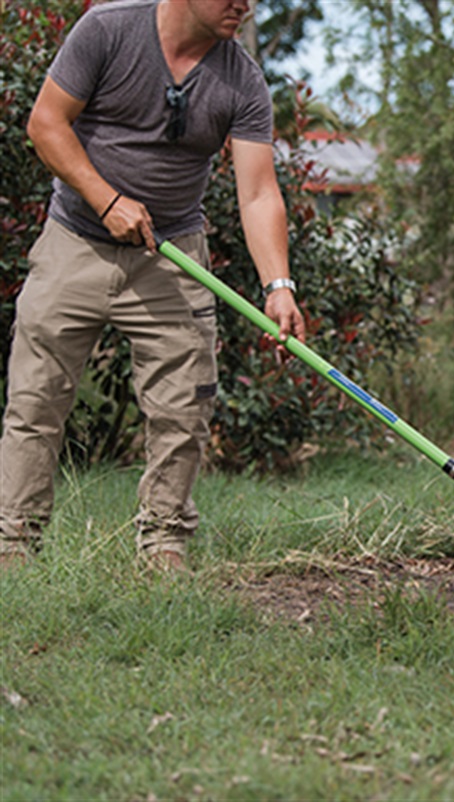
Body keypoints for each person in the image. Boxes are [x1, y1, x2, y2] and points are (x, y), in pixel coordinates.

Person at [0, 0, 305, 572]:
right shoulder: (108, 31)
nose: (245, 4)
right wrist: (106, 199)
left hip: (172, 256)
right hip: (76, 241)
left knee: (183, 407)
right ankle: (14, 547)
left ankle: (165, 544)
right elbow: (45, 123)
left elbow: (259, 193)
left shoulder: (241, 79)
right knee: (35, 401)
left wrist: (278, 284)